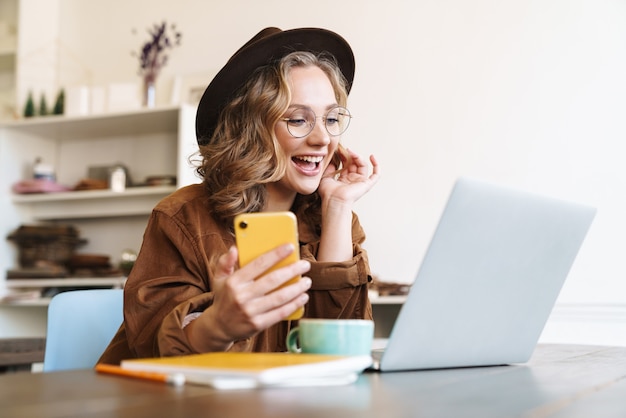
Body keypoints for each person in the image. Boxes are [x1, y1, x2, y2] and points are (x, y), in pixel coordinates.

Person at [99, 27, 380, 364]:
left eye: (331, 118)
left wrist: (337, 208)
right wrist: (217, 324)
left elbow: (337, 353)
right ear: (250, 128)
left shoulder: (333, 219)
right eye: (298, 120)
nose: (322, 138)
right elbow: (152, 349)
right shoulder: (181, 218)